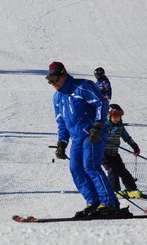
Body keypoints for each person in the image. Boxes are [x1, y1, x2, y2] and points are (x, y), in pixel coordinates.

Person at [47, 61, 120, 217]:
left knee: (90, 166)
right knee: (76, 169)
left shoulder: (83, 86)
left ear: (63, 74)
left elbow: (101, 103)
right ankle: (93, 202)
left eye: (55, 79)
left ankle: (110, 203)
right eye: (50, 81)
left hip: (93, 134)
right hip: (77, 139)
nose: (53, 84)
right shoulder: (57, 98)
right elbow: (62, 122)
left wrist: (98, 125)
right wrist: (62, 143)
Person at [102, 104, 146, 199]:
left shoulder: (120, 126)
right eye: (115, 116)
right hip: (103, 154)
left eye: (119, 116)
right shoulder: (104, 125)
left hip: (114, 154)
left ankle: (132, 190)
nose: (117, 119)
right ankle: (115, 191)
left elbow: (126, 137)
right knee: (112, 171)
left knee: (123, 171)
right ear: (109, 116)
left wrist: (134, 146)